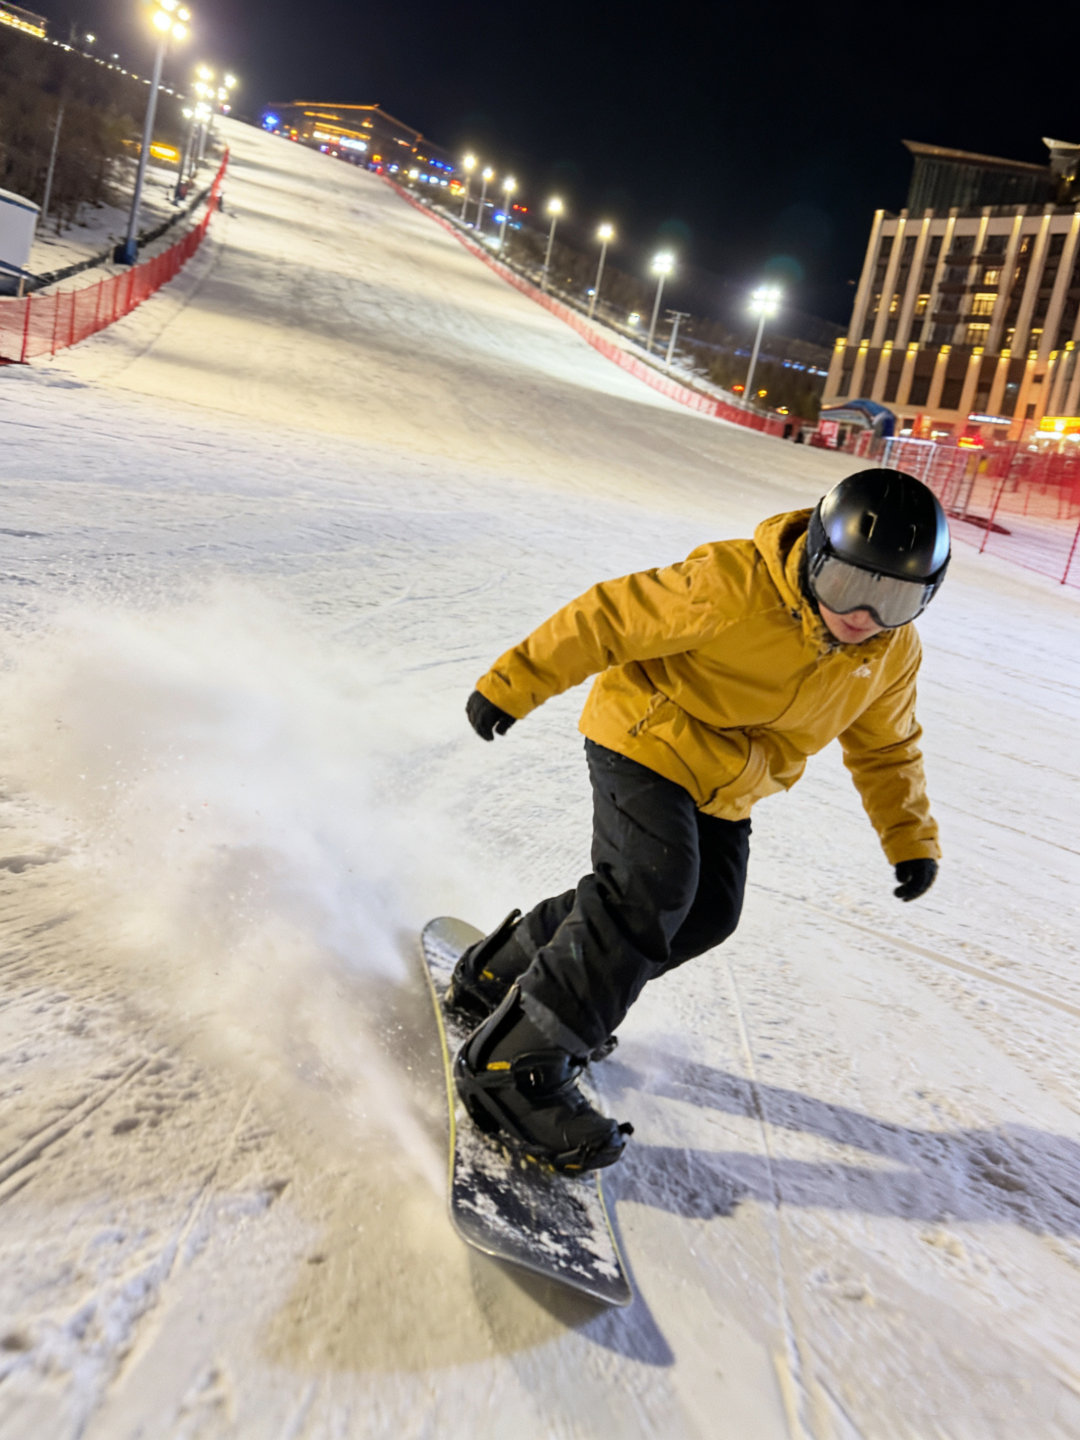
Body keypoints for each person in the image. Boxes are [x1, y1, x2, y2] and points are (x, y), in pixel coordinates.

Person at [448, 468, 950, 1174]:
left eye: (893, 598)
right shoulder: (732, 586)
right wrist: (512, 684)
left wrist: (909, 837)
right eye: (845, 584)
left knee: (708, 912)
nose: (863, 614)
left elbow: (887, 747)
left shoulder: (889, 654)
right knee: (650, 889)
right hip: (647, 736)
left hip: (727, 784)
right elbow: (608, 617)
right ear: (814, 555)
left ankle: (506, 976)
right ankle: (513, 1065)